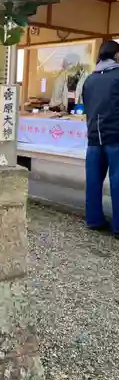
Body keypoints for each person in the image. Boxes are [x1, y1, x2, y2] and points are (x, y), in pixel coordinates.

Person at [83, 40, 119, 234]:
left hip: (94, 139)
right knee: (118, 182)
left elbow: (87, 107)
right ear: (116, 55)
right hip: (115, 137)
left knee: (93, 181)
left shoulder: (90, 79)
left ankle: (94, 220)